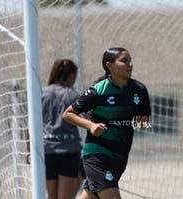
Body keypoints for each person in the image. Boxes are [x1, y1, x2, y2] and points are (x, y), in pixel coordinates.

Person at [63, 47, 151, 199]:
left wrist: (142, 124)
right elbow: (68, 114)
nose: (130, 64)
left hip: (120, 155)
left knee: (91, 196)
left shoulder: (139, 90)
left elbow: (143, 123)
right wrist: (90, 125)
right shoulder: (99, 90)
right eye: (124, 61)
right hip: (98, 155)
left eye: (130, 60)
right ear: (109, 65)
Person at [42, 58, 83, 199]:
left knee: (52, 196)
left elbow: (30, 127)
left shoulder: (42, 93)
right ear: (71, 75)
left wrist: (29, 151)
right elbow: (89, 120)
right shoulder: (75, 94)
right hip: (69, 150)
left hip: (47, 150)